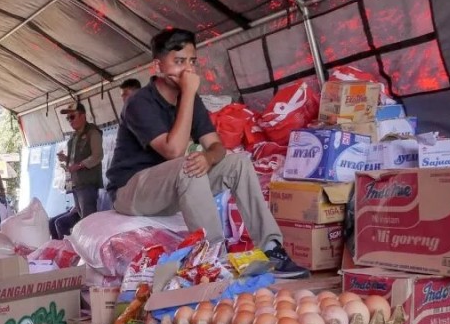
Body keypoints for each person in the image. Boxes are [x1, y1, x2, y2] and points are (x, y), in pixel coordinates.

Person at [106, 28, 308, 278]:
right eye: (178, 62)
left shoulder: (190, 99)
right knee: (186, 164)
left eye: (192, 61)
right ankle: (214, 257)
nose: (188, 70)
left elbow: (217, 145)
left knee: (238, 163)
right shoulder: (139, 103)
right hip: (132, 190)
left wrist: (209, 157)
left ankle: (270, 248)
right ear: (157, 66)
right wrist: (189, 93)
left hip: (170, 187)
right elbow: (173, 151)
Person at [56, 102, 103, 220]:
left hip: (87, 184)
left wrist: (79, 166)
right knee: (83, 219)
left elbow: (97, 155)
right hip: (76, 184)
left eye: (72, 117)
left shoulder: (93, 132)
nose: (70, 121)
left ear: (83, 116)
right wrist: (65, 159)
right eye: (68, 118)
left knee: (89, 221)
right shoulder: (74, 137)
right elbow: (75, 160)